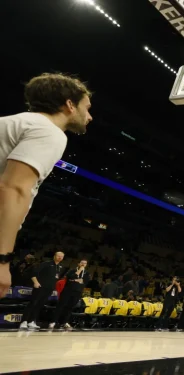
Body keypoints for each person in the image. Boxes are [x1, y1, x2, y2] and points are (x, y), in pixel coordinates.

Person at [0, 73, 93, 296]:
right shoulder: (49, 131)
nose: (89, 117)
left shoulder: (15, 122)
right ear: (70, 105)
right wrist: (2, 261)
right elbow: (14, 189)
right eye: (87, 108)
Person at [19, 251, 65, 330]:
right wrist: (35, 282)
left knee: (40, 305)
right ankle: (24, 321)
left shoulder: (60, 267)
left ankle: (31, 321)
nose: (60, 257)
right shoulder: (46, 264)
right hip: (40, 287)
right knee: (33, 303)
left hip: (49, 289)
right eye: (58, 256)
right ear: (54, 256)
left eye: (61, 256)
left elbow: (55, 278)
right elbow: (33, 272)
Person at [50, 259, 90, 329]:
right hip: (67, 291)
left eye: (85, 263)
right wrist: (79, 271)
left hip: (77, 292)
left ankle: (64, 322)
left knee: (70, 308)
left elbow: (85, 281)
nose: (83, 264)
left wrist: (75, 280)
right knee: (60, 306)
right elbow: (71, 277)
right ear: (79, 263)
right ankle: (53, 321)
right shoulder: (72, 270)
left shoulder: (87, 273)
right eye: (82, 263)